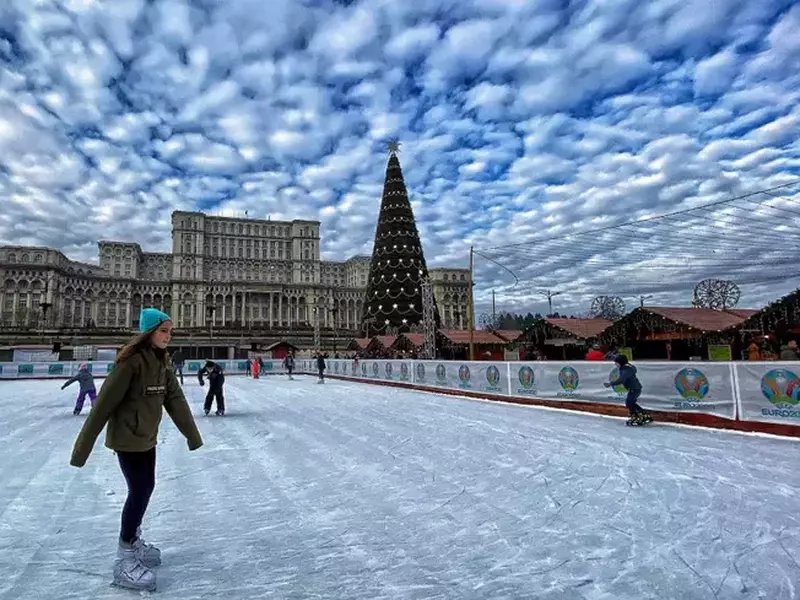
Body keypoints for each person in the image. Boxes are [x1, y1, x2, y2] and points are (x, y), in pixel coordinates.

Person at [69, 308, 203, 592]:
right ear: (149, 332)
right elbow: (102, 406)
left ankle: (133, 539)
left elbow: (175, 399)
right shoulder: (130, 363)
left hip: (147, 437)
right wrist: (81, 450)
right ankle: (124, 557)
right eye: (163, 331)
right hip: (127, 438)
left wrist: (192, 436)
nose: (168, 336)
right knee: (139, 491)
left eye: (170, 331)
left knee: (146, 488)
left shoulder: (162, 362)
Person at [604, 354, 651, 426]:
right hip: (635, 388)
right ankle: (643, 413)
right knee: (631, 403)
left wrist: (610, 384)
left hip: (634, 389)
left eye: (616, 363)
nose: (615, 364)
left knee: (629, 403)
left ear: (620, 363)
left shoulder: (625, 371)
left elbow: (621, 380)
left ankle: (635, 416)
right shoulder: (629, 367)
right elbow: (634, 368)